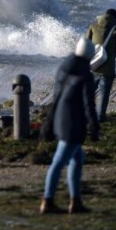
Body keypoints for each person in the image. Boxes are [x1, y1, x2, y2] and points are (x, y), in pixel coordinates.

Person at [40, 38, 100, 214]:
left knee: (77, 158)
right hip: (73, 124)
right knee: (58, 163)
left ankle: (75, 201)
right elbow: (89, 104)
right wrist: (94, 127)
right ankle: (48, 200)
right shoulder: (85, 75)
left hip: (59, 118)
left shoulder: (64, 69)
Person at [86, 8, 116, 122]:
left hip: (93, 66)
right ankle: (100, 117)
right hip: (108, 69)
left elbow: (86, 44)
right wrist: (113, 54)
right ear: (115, 19)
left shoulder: (93, 27)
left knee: (89, 92)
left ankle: (88, 114)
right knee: (104, 94)